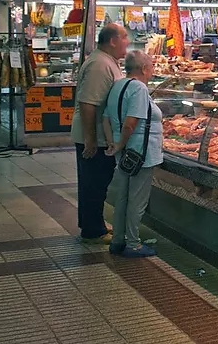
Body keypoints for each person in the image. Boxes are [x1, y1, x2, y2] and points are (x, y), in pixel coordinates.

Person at [71, 23, 129, 244]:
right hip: (94, 137)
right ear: (112, 41)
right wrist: (90, 140)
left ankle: (94, 225)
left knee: (97, 182)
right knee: (93, 183)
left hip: (100, 136)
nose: (127, 42)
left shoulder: (107, 61)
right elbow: (88, 104)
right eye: (124, 37)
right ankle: (92, 231)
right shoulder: (99, 64)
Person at [102, 51, 164, 258]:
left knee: (123, 197)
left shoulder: (118, 85)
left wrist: (114, 143)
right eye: (152, 66)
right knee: (137, 201)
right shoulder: (138, 88)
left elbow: (105, 119)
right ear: (144, 69)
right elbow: (131, 123)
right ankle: (134, 244)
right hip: (140, 152)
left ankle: (118, 240)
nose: (153, 70)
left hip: (126, 151)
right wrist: (120, 144)